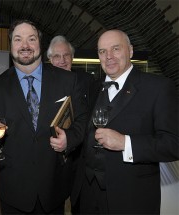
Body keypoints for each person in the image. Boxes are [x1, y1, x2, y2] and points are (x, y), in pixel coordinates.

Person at [0, 20, 88, 214]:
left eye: (31, 39)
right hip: (14, 193)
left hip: (54, 189)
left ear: (39, 44)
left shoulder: (68, 80)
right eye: (18, 39)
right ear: (10, 45)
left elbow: (83, 120)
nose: (25, 45)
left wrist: (70, 139)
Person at [71, 29, 179, 214]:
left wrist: (126, 143)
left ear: (130, 50)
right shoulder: (93, 87)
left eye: (115, 49)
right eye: (102, 51)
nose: (109, 56)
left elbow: (174, 144)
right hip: (87, 193)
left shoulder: (158, 88)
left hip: (131, 198)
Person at [47, 35, 94, 213]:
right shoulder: (40, 83)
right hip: (50, 158)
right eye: (57, 56)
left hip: (79, 157)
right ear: (50, 59)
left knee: (79, 203)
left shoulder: (87, 82)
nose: (62, 60)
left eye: (66, 55)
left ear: (72, 58)